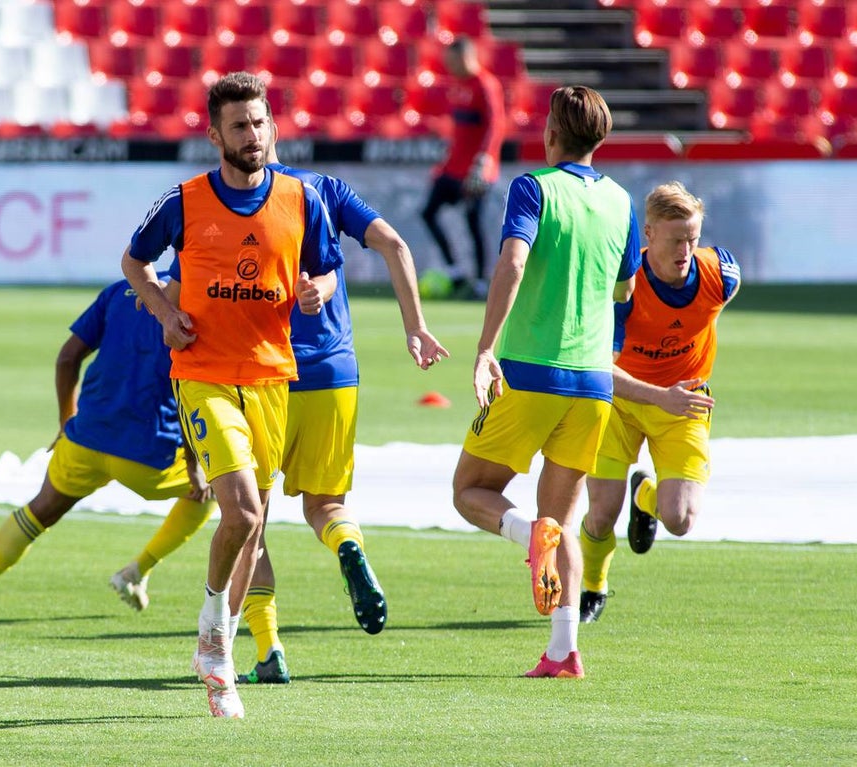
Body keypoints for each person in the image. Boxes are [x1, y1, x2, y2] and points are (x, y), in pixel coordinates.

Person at [121, 72, 340, 719]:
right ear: (214, 134)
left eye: (260, 122)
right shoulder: (184, 202)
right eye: (239, 125)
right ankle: (216, 644)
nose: (253, 134)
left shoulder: (302, 199)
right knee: (241, 510)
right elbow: (135, 261)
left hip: (272, 376)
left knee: (254, 524)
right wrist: (163, 309)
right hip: (204, 373)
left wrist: (318, 292)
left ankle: (214, 639)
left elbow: (327, 267)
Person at [235, 131, 451, 685]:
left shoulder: (239, 198)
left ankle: (268, 651)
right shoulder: (327, 188)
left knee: (248, 523)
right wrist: (417, 329)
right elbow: (396, 245)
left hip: (267, 374)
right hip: (334, 372)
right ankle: (349, 546)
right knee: (326, 506)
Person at [451, 85, 641, 679]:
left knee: (470, 491)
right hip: (593, 384)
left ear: (551, 133)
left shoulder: (533, 187)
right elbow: (626, 291)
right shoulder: (621, 202)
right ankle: (563, 651)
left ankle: (527, 534)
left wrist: (486, 349)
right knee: (564, 515)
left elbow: (512, 259)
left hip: (531, 372)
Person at [0, 277, 217, 619]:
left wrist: (65, 426)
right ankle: (137, 570)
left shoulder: (121, 290)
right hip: (147, 457)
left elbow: (67, 358)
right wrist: (195, 465)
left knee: (39, 512)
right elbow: (187, 393)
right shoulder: (198, 304)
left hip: (84, 439)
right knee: (219, 486)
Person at [578, 182, 741, 623]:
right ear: (647, 234)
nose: (685, 250)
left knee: (681, 519)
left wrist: (673, 397)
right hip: (620, 400)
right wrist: (656, 397)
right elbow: (598, 367)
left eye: (692, 238)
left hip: (685, 400)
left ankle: (645, 496)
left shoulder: (722, 277)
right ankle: (593, 586)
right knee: (599, 514)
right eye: (674, 240)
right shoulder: (621, 288)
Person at [420, 35, 506, 297]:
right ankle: (455, 272)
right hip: (452, 168)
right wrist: (443, 163)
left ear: (467, 57)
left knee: (473, 221)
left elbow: (495, 126)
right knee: (428, 213)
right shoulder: (457, 85)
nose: (449, 67)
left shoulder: (486, 84)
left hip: (476, 171)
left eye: (453, 61)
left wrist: (485, 160)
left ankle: (481, 281)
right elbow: (459, 132)